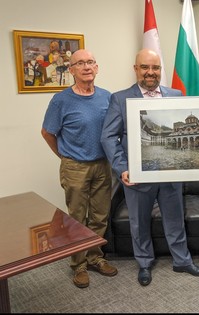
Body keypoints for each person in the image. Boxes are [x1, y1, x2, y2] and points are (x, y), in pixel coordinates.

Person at [100, 48, 199, 287]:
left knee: (175, 218)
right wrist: (122, 168)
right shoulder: (120, 98)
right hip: (137, 175)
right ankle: (144, 263)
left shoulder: (176, 94)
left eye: (156, 67)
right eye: (145, 67)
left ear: (161, 70)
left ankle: (182, 260)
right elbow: (109, 137)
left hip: (171, 173)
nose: (151, 73)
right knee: (138, 222)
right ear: (136, 69)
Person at [41, 49, 118, 289]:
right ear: (71, 69)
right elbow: (47, 132)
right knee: (76, 218)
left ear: (97, 67)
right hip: (75, 167)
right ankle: (79, 265)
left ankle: (95, 257)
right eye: (80, 63)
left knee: (99, 217)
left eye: (91, 62)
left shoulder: (107, 97)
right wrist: (64, 156)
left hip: (102, 165)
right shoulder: (61, 100)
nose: (87, 67)